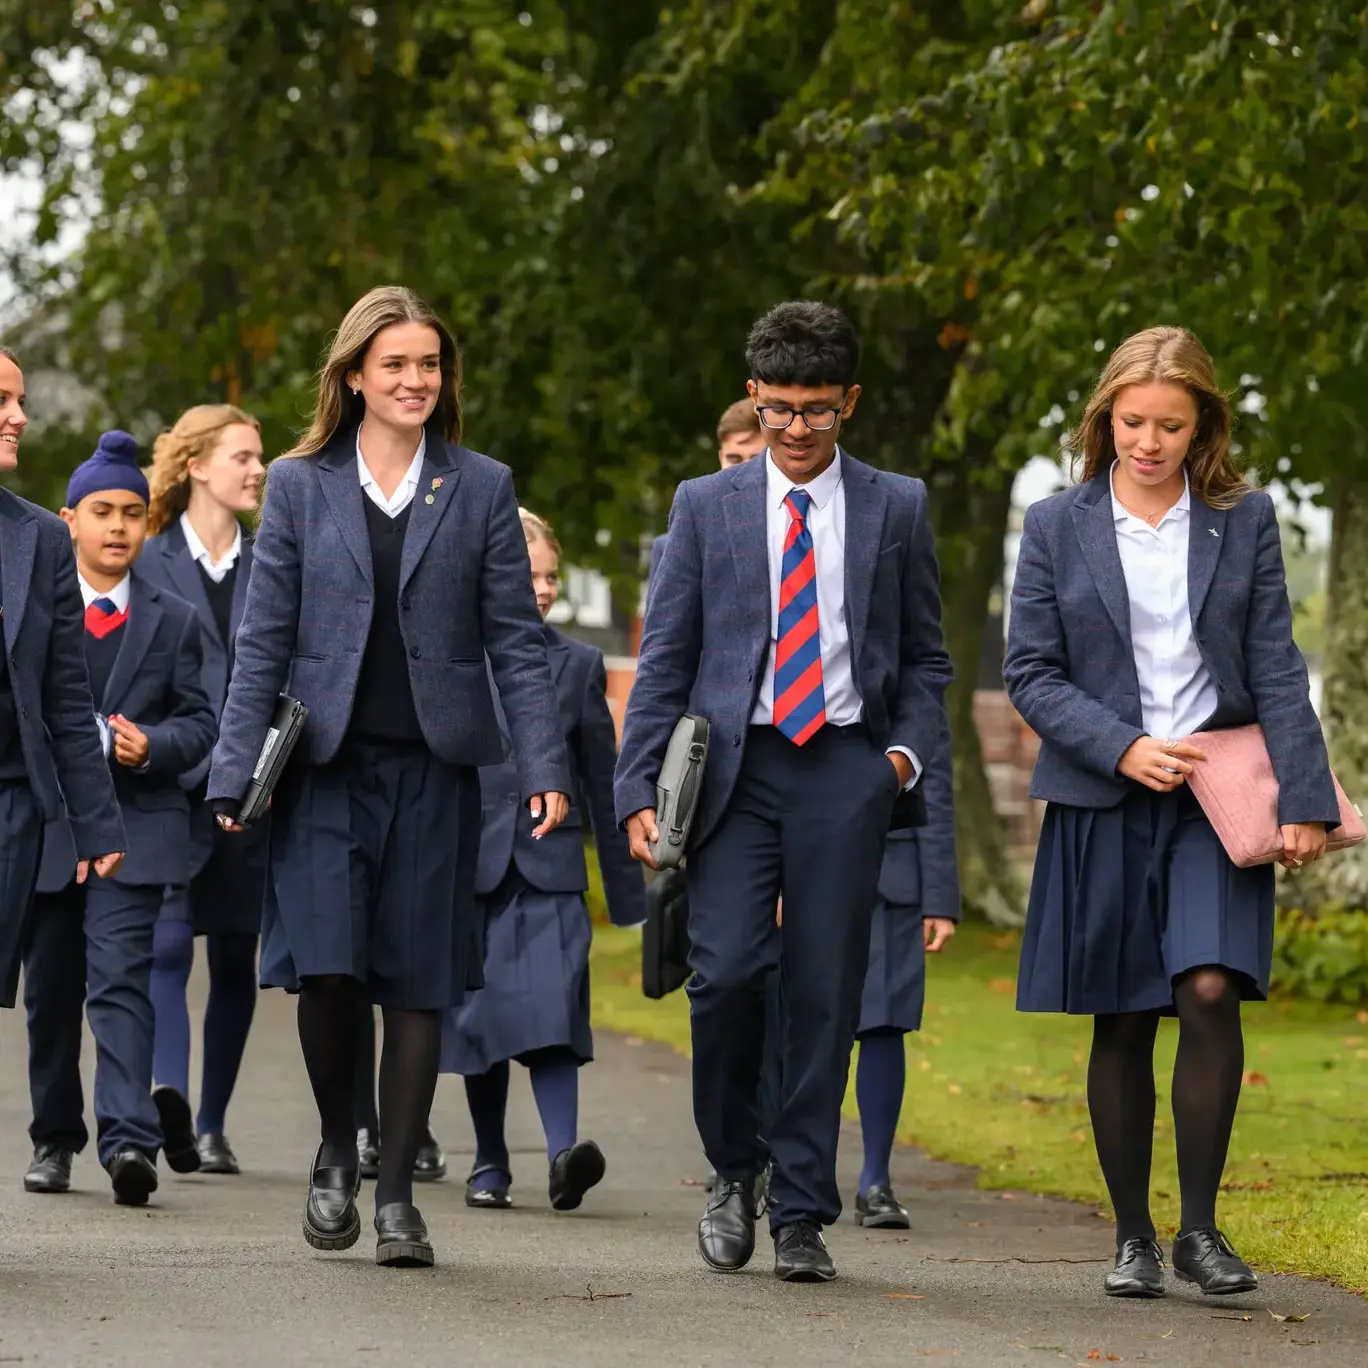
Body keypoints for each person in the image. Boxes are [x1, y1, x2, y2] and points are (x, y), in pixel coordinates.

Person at [206, 285, 571, 1269]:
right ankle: (338, 1144)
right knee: (327, 968)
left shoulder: (482, 485)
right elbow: (262, 639)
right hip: (322, 772)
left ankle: (401, 1194)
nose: (415, 381)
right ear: (355, 374)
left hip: (433, 772)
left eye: (430, 365)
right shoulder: (299, 483)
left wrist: (544, 763)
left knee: (416, 982)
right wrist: (234, 773)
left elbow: (515, 640)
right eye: (396, 364)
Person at [616, 300, 952, 1282]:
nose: (796, 431)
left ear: (848, 402)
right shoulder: (704, 506)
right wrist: (638, 783)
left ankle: (802, 1208)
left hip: (846, 768)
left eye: (816, 411)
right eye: (776, 412)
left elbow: (927, 658)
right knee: (723, 978)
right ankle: (734, 1171)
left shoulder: (898, 505)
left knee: (825, 990)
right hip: (737, 769)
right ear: (754, 401)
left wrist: (897, 764)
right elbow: (667, 652)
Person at [1002, 326, 1337, 1300]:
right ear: (1107, 418)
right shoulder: (1057, 524)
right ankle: (1133, 1237)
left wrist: (1306, 801)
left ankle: (1199, 1229)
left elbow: (1276, 663)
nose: (1148, 442)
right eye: (1133, 421)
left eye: (1170, 426)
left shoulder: (1245, 517)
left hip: (1214, 795)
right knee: (1124, 1014)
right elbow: (1029, 671)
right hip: (1104, 790)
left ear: (1203, 429)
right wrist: (1120, 743)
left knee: (1205, 989)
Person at [23, 430, 217, 1205]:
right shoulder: (36, 613)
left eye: (133, 513)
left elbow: (203, 721)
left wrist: (155, 745)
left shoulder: (173, 620)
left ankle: (129, 1139)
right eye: (101, 511)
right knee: (51, 993)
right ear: (67, 520)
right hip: (49, 829)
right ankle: (53, 1138)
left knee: (121, 983)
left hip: (139, 830)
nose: (117, 527)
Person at [447, 508, 647, 1212]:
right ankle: (490, 1160)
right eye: (525, 573)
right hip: (469, 870)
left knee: (554, 1008)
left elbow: (603, 781)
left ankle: (564, 1156)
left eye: (550, 575)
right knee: (480, 1022)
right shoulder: (451, 657)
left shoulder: (579, 665)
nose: (539, 587)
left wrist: (629, 895)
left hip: (550, 867)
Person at [138, 405, 268, 1175]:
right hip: (169, 789)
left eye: (259, 458)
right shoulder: (148, 560)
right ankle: (168, 1108)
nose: (257, 470)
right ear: (195, 466)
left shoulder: (271, 563)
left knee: (233, 958)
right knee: (163, 951)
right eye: (243, 457)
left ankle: (213, 1123)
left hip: (251, 800)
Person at [0, 347, 125, 1090]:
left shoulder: (39, 536)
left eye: (20, 400)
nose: (19, 416)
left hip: (12, 805)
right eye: (3, 399)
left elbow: (65, 697)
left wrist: (98, 820)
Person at [849, 721, 958, 1228]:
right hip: (799, 874)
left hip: (895, 884)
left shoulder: (911, 676)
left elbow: (935, 792)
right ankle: (775, 1165)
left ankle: (875, 1180)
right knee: (794, 1024)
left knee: (885, 1023)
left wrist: (939, 898)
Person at [647, 398, 768, 587]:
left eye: (756, 460)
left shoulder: (801, 537)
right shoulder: (670, 547)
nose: (744, 471)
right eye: (734, 459)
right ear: (721, 458)